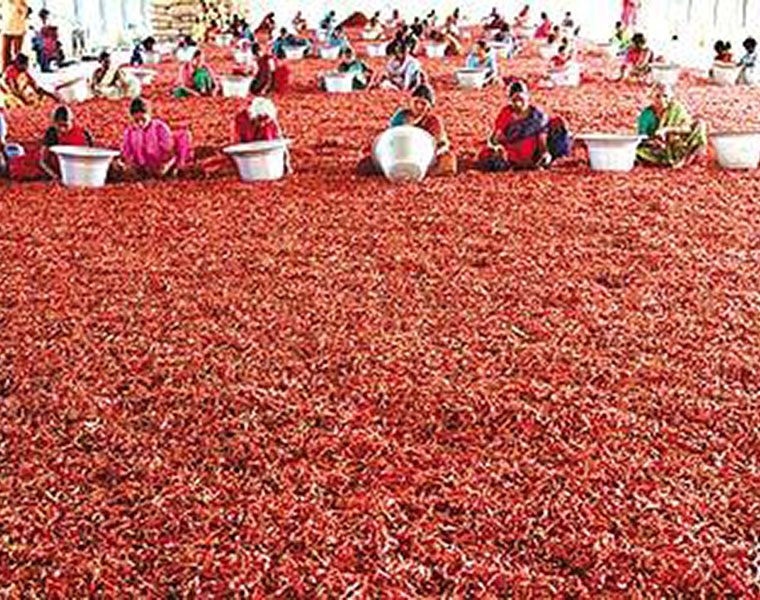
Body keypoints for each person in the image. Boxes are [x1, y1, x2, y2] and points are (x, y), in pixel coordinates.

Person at [358, 83, 457, 177]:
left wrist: (435, 151)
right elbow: (392, 137)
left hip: (423, 157)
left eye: (423, 104)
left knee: (448, 160)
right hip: (400, 153)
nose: (419, 106)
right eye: (416, 102)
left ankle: (422, 172)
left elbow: (441, 144)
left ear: (429, 107)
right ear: (410, 102)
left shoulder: (433, 121)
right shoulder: (401, 115)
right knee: (365, 164)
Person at [476, 79, 571, 171]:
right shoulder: (506, 113)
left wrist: (545, 153)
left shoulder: (537, 116)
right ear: (510, 100)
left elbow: (542, 138)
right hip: (511, 151)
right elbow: (496, 138)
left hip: (533, 151)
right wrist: (497, 148)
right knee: (486, 157)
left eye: (521, 99)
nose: (518, 103)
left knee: (558, 124)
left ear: (527, 98)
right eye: (515, 100)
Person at [636, 82, 707, 168]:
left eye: (665, 96)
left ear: (671, 98)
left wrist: (667, 129)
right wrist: (654, 142)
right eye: (658, 96)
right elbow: (642, 137)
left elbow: (687, 128)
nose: (662, 100)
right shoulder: (646, 114)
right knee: (638, 152)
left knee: (700, 124)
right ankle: (671, 160)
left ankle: (688, 158)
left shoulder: (676, 109)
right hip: (659, 148)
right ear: (652, 98)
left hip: (680, 143)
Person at [120, 97, 193, 179]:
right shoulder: (129, 132)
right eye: (136, 120)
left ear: (149, 115)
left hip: (161, 166)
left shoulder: (159, 127)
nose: (140, 123)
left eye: (143, 119)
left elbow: (169, 150)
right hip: (143, 168)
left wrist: (167, 165)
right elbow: (127, 153)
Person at [39, 105, 94, 180]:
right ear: (54, 123)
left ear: (72, 121)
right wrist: (54, 176)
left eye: (65, 126)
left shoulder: (84, 133)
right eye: (59, 126)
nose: (62, 130)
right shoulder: (52, 133)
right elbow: (42, 160)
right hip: (59, 171)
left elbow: (92, 155)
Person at [1, 0, 27, 71]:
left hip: (18, 29)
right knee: (5, 53)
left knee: (17, 54)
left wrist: (20, 9)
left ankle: (16, 73)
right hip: (6, 27)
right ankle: (5, 73)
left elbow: (25, 10)